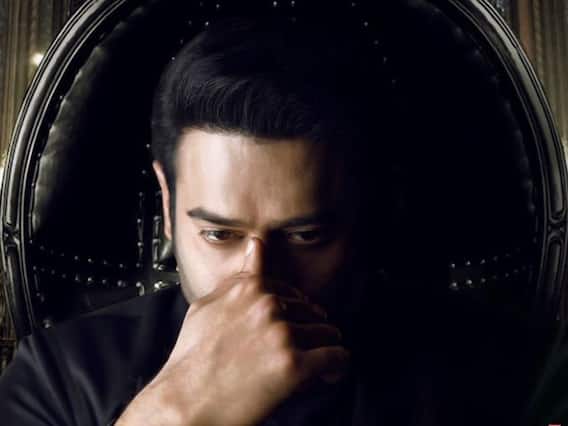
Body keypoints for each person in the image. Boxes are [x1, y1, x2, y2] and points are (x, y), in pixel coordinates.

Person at [0, 14, 544, 426]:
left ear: (369, 210)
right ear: (166, 204)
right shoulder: (55, 378)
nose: (257, 285)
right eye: (219, 234)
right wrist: (174, 412)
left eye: (306, 236)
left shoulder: (509, 376)